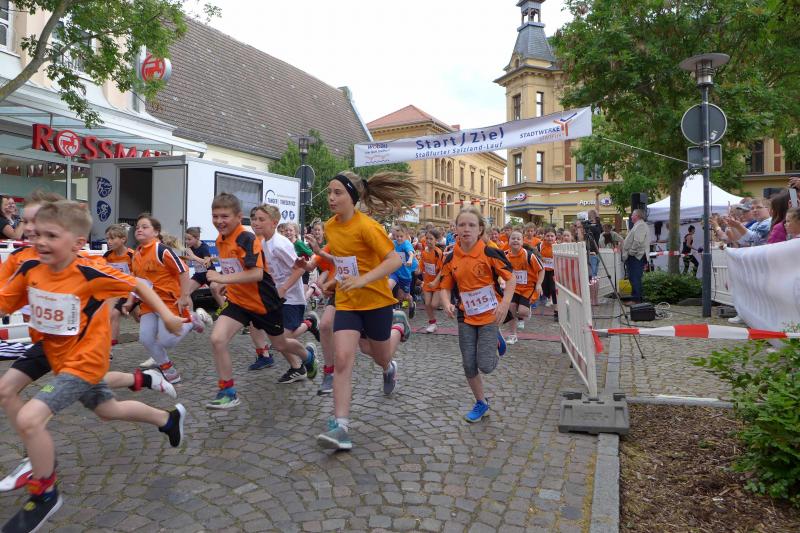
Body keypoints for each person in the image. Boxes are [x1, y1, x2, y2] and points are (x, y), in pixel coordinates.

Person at [0, 200, 187, 533]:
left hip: (84, 363)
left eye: (51, 236)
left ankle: (45, 493)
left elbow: (138, 285)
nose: (40, 241)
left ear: (77, 243)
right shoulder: (30, 270)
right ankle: (168, 419)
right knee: (108, 410)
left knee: (29, 417)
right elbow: (4, 302)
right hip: (59, 360)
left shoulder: (89, 273)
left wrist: (168, 316)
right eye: (37, 234)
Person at [315, 171, 417, 451]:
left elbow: (394, 261)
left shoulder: (368, 227)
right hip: (348, 302)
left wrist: (363, 280)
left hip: (376, 302)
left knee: (379, 356)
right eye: (329, 192)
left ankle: (397, 331)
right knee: (343, 359)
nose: (331, 198)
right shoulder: (330, 226)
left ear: (352, 197)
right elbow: (345, 264)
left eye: (337, 192)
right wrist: (334, 281)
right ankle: (341, 427)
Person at [204, 193, 316, 408]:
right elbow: (236, 268)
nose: (219, 221)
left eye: (225, 216)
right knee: (217, 339)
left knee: (280, 344)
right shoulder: (221, 239)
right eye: (215, 216)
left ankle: (307, 356)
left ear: (239, 217)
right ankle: (228, 392)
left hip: (263, 303)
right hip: (238, 302)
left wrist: (221, 278)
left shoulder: (247, 239)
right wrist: (227, 282)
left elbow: (256, 273)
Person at [439, 207, 515, 422]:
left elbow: (510, 279)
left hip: (490, 314)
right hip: (465, 316)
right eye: (462, 225)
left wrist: (505, 305)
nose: (466, 229)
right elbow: (444, 286)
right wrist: (446, 303)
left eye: (471, 225)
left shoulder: (489, 252)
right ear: (455, 228)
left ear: (480, 229)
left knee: (486, 366)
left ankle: (497, 340)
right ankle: (481, 402)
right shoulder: (451, 257)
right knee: (469, 364)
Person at [248, 204, 319, 381]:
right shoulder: (263, 242)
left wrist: (283, 288)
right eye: (254, 219)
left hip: (292, 299)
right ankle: (297, 368)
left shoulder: (280, 244)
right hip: (276, 298)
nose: (255, 222)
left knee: (281, 340)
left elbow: (300, 269)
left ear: (274, 223)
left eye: (261, 219)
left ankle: (308, 354)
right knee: (276, 339)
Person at [128, 214, 194, 384]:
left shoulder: (161, 250)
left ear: (156, 232)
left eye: (144, 227)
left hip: (168, 302)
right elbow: (136, 281)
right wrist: (130, 301)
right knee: (145, 338)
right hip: (148, 304)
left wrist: (184, 296)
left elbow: (184, 270)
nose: (139, 229)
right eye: (137, 227)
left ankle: (193, 320)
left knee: (167, 341)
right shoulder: (136, 253)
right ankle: (169, 371)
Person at [504, 230, 544, 344]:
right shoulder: (505, 255)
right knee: (511, 307)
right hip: (513, 287)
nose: (515, 240)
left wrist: (539, 284)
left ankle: (525, 311)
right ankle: (512, 335)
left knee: (522, 312)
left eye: (518, 239)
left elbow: (542, 269)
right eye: (513, 238)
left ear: (522, 242)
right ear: (508, 241)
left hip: (528, 288)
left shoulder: (529, 255)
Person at [102, 224, 135, 350]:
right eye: (107, 239)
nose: (109, 242)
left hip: (131, 292)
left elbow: (137, 276)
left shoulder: (131, 255)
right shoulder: (107, 256)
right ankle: (110, 349)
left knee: (139, 317)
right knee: (113, 314)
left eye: (112, 238)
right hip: (115, 293)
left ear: (123, 239)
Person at [184, 226, 225, 310]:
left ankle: (225, 309)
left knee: (214, 289)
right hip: (199, 275)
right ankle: (190, 315)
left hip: (209, 273)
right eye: (186, 239)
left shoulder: (204, 247)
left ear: (197, 238)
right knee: (185, 293)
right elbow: (189, 261)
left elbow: (207, 263)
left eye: (189, 239)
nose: (186, 241)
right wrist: (183, 258)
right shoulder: (190, 248)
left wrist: (193, 256)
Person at [388, 225, 417, 318]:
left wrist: (410, 259)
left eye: (401, 236)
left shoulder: (406, 244)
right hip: (395, 272)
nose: (399, 238)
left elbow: (411, 253)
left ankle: (412, 304)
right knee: (388, 286)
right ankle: (389, 308)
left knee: (406, 296)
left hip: (405, 275)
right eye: (397, 236)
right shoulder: (393, 243)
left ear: (406, 235)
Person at [621, 209, 649, 304]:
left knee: (635, 278)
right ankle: (636, 299)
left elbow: (638, 241)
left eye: (632, 215)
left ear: (637, 216)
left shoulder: (640, 225)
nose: (631, 216)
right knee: (633, 278)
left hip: (635, 257)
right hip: (635, 256)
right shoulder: (638, 225)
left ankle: (636, 300)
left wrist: (631, 253)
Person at [420, 228, 444, 333]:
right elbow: (422, 265)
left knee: (434, 305)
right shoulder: (424, 252)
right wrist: (417, 270)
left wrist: (435, 282)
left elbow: (442, 270)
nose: (428, 241)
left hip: (437, 283)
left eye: (431, 239)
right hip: (427, 282)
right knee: (427, 304)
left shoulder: (438, 253)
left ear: (436, 240)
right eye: (427, 238)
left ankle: (444, 299)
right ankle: (432, 323)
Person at [538, 228, 557, 314]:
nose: (550, 238)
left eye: (552, 236)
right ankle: (547, 298)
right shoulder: (540, 246)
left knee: (554, 289)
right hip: (543, 271)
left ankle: (556, 310)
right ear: (544, 236)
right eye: (548, 236)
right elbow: (535, 255)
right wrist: (540, 257)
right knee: (545, 289)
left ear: (555, 237)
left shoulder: (558, 246)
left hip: (554, 271)